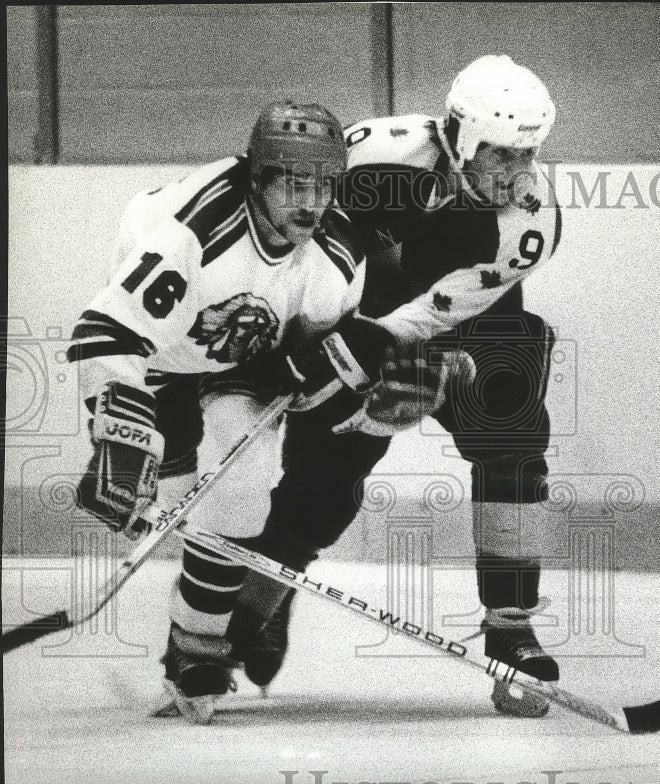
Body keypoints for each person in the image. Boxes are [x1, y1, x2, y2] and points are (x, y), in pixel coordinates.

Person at [229, 55, 564, 719]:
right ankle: (250, 614)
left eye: (529, 153)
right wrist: (300, 340)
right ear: (461, 137)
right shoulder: (374, 154)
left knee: (515, 428)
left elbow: (446, 309)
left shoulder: (533, 217)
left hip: (468, 331)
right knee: (318, 497)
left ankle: (511, 625)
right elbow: (302, 238)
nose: (517, 173)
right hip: (352, 313)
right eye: (501, 154)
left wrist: (419, 361)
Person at [69, 101, 410, 724]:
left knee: (243, 492)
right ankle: (198, 620)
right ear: (258, 178)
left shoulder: (338, 254)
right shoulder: (189, 232)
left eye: (323, 186)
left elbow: (314, 360)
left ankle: (195, 648)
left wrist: (334, 372)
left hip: (243, 366)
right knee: (176, 500)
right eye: (293, 185)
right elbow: (103, 334)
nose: (310, 204)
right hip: (161, 358)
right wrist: (118, 432)